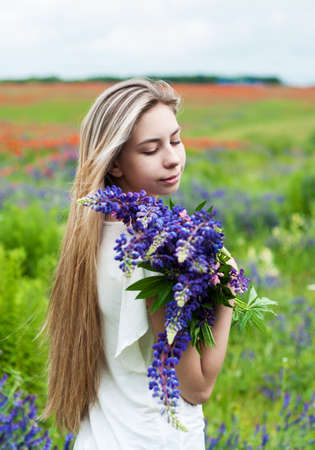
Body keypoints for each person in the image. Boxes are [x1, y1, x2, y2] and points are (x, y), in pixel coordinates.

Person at [39, 77, 237, 449]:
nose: (173, 158)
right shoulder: (158, 254)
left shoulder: (91, 235)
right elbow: (196, 387)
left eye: (176, 140)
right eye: (151, 149)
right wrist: (228, 289)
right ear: (114, 164)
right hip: (154, 436)